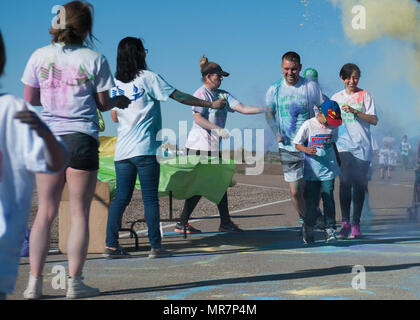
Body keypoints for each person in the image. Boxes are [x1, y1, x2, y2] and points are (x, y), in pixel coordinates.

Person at [21, 1, 130, 299]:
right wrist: (117, 102)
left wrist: (55, 97)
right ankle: (75, 284)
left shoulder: (39, 56)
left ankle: (33, 284)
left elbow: (30, 97)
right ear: (86, 27)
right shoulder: (95, 58)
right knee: (80, 213)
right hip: (81, 138)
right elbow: (103, 103)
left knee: (45, 212)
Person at [103, 38, 226, 259]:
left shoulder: (114, 83)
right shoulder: (149, 78)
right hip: (145, 150)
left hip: (122, 152)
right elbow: (179, 96)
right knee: (150, 198)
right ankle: (155, 247)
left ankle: (111, 245)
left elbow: (113, 115)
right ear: (139, 54)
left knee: (121, 198)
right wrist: (210, 104)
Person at [0, 31, 68, 300]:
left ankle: (37, 281)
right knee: (65, 211)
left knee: (48, 211)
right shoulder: (12, 111)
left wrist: (45, 134)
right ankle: (57, 280)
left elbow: (56, 161)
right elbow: (57, 161)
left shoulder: (15, 111)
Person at [174, 56, 268, 234]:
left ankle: (202, 222)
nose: (221, 78)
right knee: (206, 185)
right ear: (208, 76)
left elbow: (242, 108)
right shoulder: (201, 94)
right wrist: (217, 128)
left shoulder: (223, 94)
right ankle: (189, 222)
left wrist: (265, 109)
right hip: (198, 147)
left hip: (212, 148)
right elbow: (197, 118)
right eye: (218, 75)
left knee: (217, 183)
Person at [265, 52, 326, 232]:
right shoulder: (274, 89)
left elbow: (323, 108)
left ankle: (310, 219)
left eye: (293, 69)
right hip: (287, 146)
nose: (290, 72)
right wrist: (276, 131)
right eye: (286, 69)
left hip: (309, 145)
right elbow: (269, 113)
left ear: (300, 68)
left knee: (311, 189)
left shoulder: (310, 87)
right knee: (294, 191)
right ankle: (309, 217)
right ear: (281, 68)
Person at [331, 63, 378, 239]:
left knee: (359, 186)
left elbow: (374, 120)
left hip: (363, 148)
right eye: (349, 77)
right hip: (343, 147)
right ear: (342, 78)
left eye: (355, 77)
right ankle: (344, 224)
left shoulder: (365, 95)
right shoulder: (336, 97)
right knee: (344, 184)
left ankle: (356, 224)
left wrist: (355, 111)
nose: (352, 80)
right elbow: (330, 121)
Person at [294, 99, 342, 243]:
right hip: (312, 172)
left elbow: (333, 144)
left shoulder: (333, 126)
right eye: (327, 120)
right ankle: (309, 229)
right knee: (312, 202)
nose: (329, 124)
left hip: (329, 170)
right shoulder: (309, 124)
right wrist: (306, 149)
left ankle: (330, 229)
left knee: (329, 200)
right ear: (320, 113)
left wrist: (338, 162)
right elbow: (297, 143)